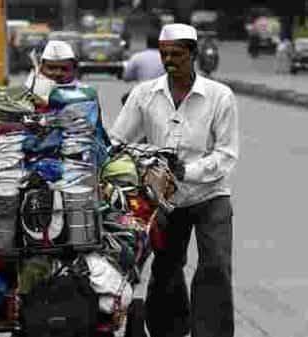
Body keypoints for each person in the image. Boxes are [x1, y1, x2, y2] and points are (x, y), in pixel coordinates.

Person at [108, 23, 239, 337]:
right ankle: (169, 330)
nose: (169, 60)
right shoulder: (144, 95)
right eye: (164, 54)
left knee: (215, 266)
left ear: (193, 54)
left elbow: (227, 154)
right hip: (163, 198)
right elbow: (117, 141)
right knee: (166, 266)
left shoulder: (220, 96)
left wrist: (186, 171)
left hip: (211, 195)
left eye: (177, 54)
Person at [117, 32, 165, 105]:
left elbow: (126, 77)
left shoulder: (137, 57)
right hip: (162, 94)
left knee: (125, 99)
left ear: (146, 43)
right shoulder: (167, 58)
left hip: (142, 93)